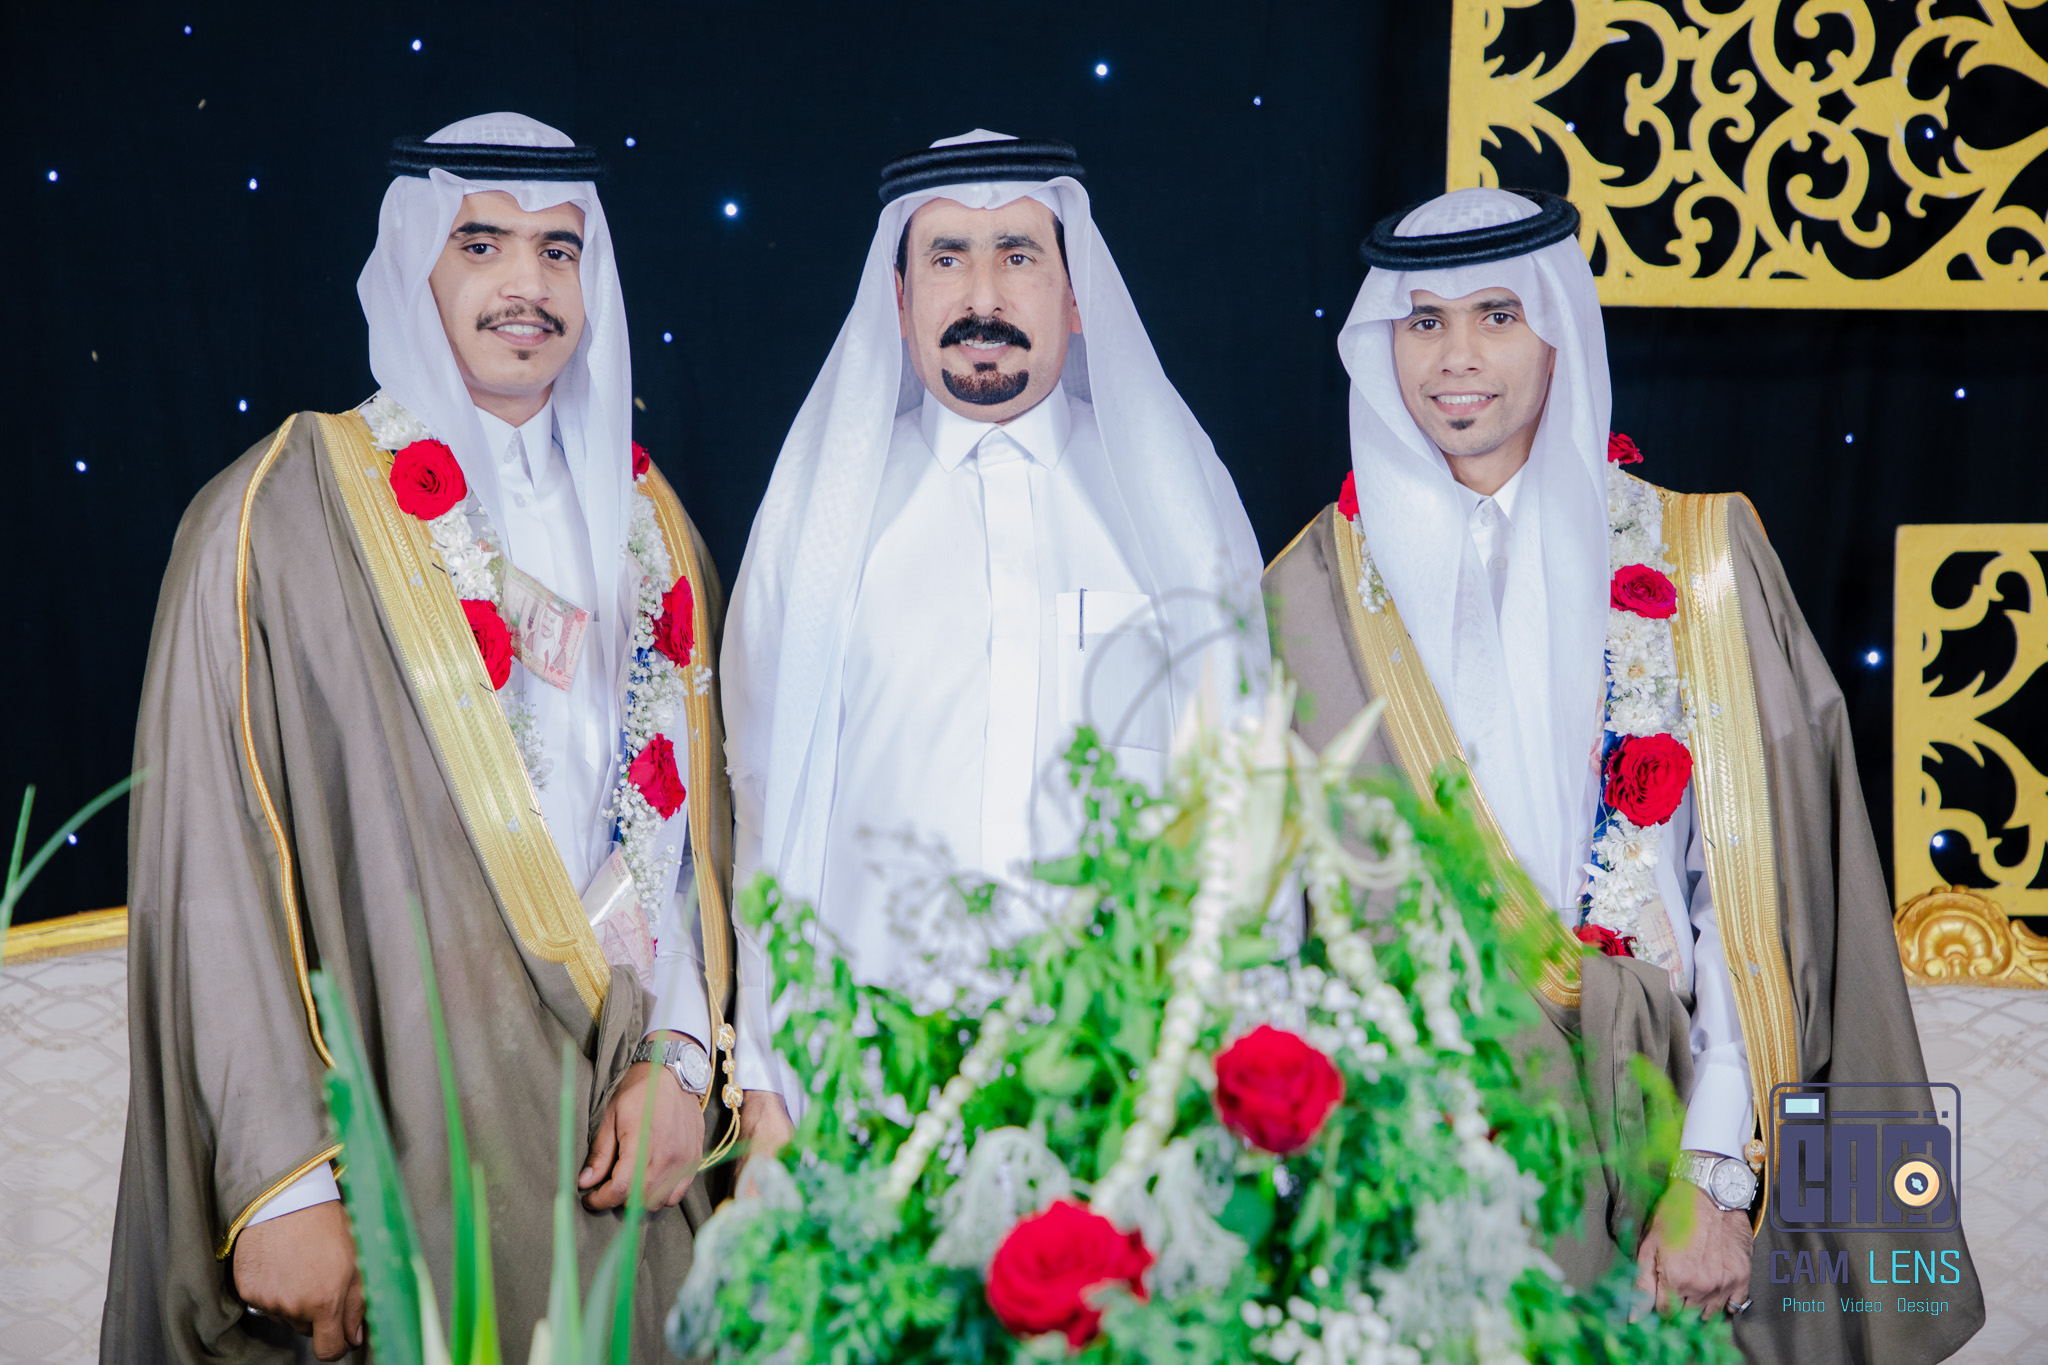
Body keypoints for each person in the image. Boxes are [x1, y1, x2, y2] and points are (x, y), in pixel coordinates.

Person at [102, 113, 784, 1362]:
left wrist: (687, 1064)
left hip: (625, 1140)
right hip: (400, 1142)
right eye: (482, 243)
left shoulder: (653, 524)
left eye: (559, 249)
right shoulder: (279, 512)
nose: (527, 283)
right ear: (414, 264)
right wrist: (284, 1184)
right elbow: (214, 869)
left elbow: (700, 846)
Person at [1264, 187, 1982, 1361]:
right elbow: (1278, 921)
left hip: (1668, 1143)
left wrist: (1710, 1174)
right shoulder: (1310, 591)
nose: (1455, 358)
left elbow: (1758, 904)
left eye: (1496, 315)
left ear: (1557, 330)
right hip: (1414, 1164)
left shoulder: (1699, 562)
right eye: (1423, 320)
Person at [722, 131, 1266, 1095]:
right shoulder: (822, 508)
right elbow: (763, 799)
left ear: (1075, 295)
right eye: (947, 259)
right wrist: (763, 1076)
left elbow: (1250, 794)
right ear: (899, 301)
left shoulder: (1171, 499)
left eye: (1017, 256)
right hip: (863, 1086)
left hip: (1128, 1088)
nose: (983, 297)